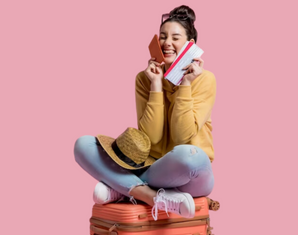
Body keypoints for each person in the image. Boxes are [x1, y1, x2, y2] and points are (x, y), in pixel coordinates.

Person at [74, 5, 216, 221]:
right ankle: (150, 195)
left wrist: (185, 83)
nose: (167, 43)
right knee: (83, 144)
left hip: (191, 174)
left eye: (175, 38)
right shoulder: (145, 78)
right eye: (162, 37)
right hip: (153, 166)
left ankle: (122, 188)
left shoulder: (204, 79)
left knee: (189, 156)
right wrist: (156, 85)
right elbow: (150, 138)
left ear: (190, 46)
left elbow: (182, 136)